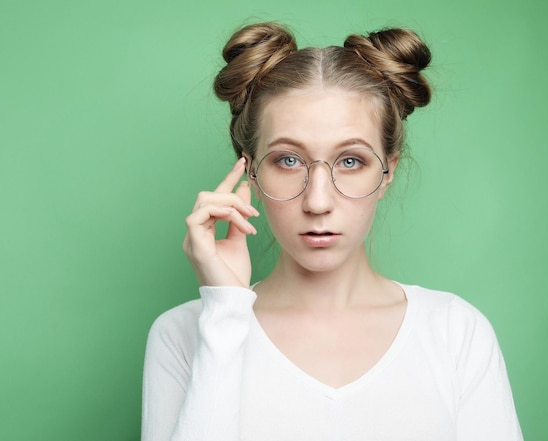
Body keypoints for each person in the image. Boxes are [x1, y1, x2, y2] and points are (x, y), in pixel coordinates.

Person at [141, 22, 523, 441]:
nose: (318, 201)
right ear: (250, 169)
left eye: (350, 161)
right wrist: (225, 312)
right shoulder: (182, 335)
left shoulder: (455, 333)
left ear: (387, 171)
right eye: (288, 160)